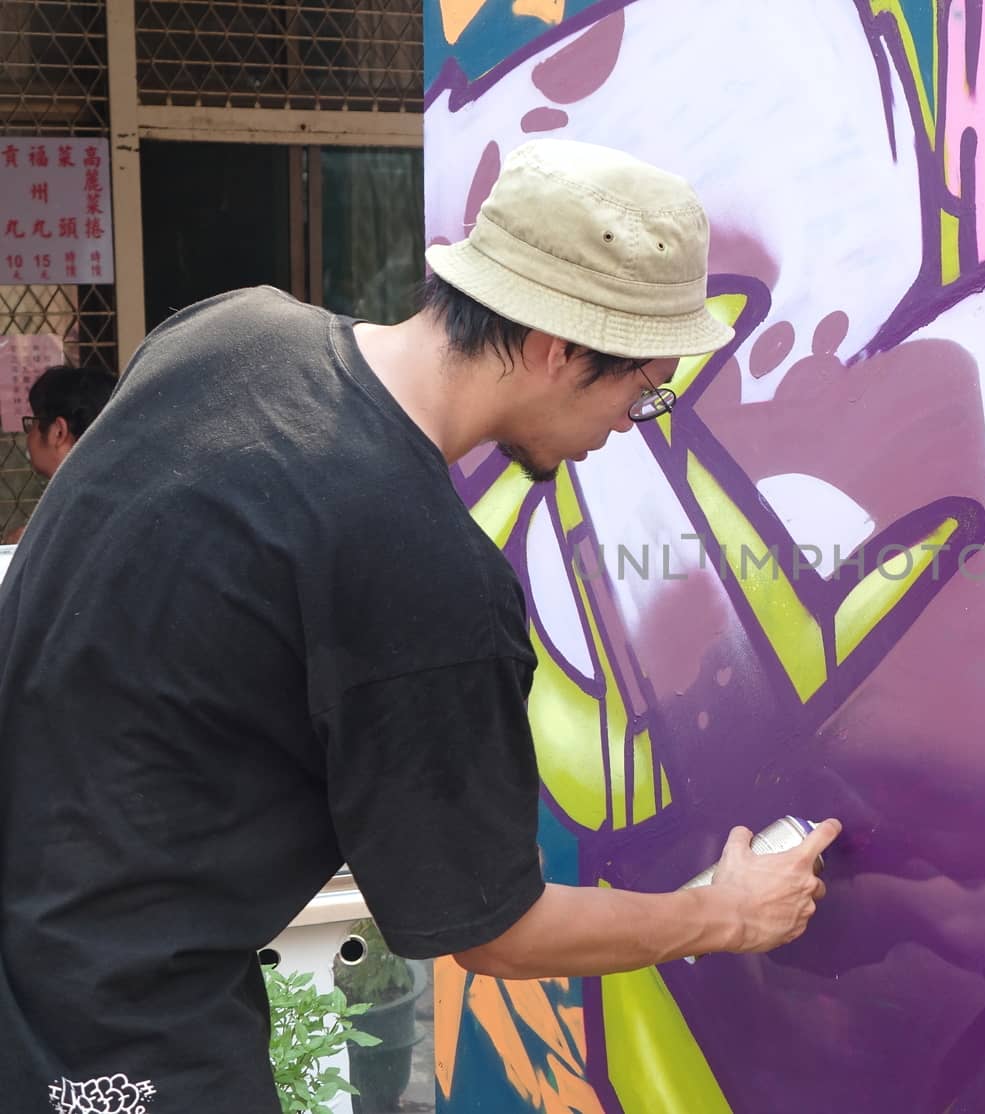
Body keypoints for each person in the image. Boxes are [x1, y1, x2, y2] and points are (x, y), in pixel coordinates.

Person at [0, 138, 841, 1112]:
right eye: (640, 389)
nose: (630, 421)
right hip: (111, 1036)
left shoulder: (230, 331)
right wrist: (722, 915)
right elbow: (493, 930)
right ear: (556, 348)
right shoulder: (417, 567)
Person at [3, 363, 118, 544]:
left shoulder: (73, 521)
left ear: (58, 432)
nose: (29, 433)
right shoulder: (121, 495)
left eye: (33, 422)